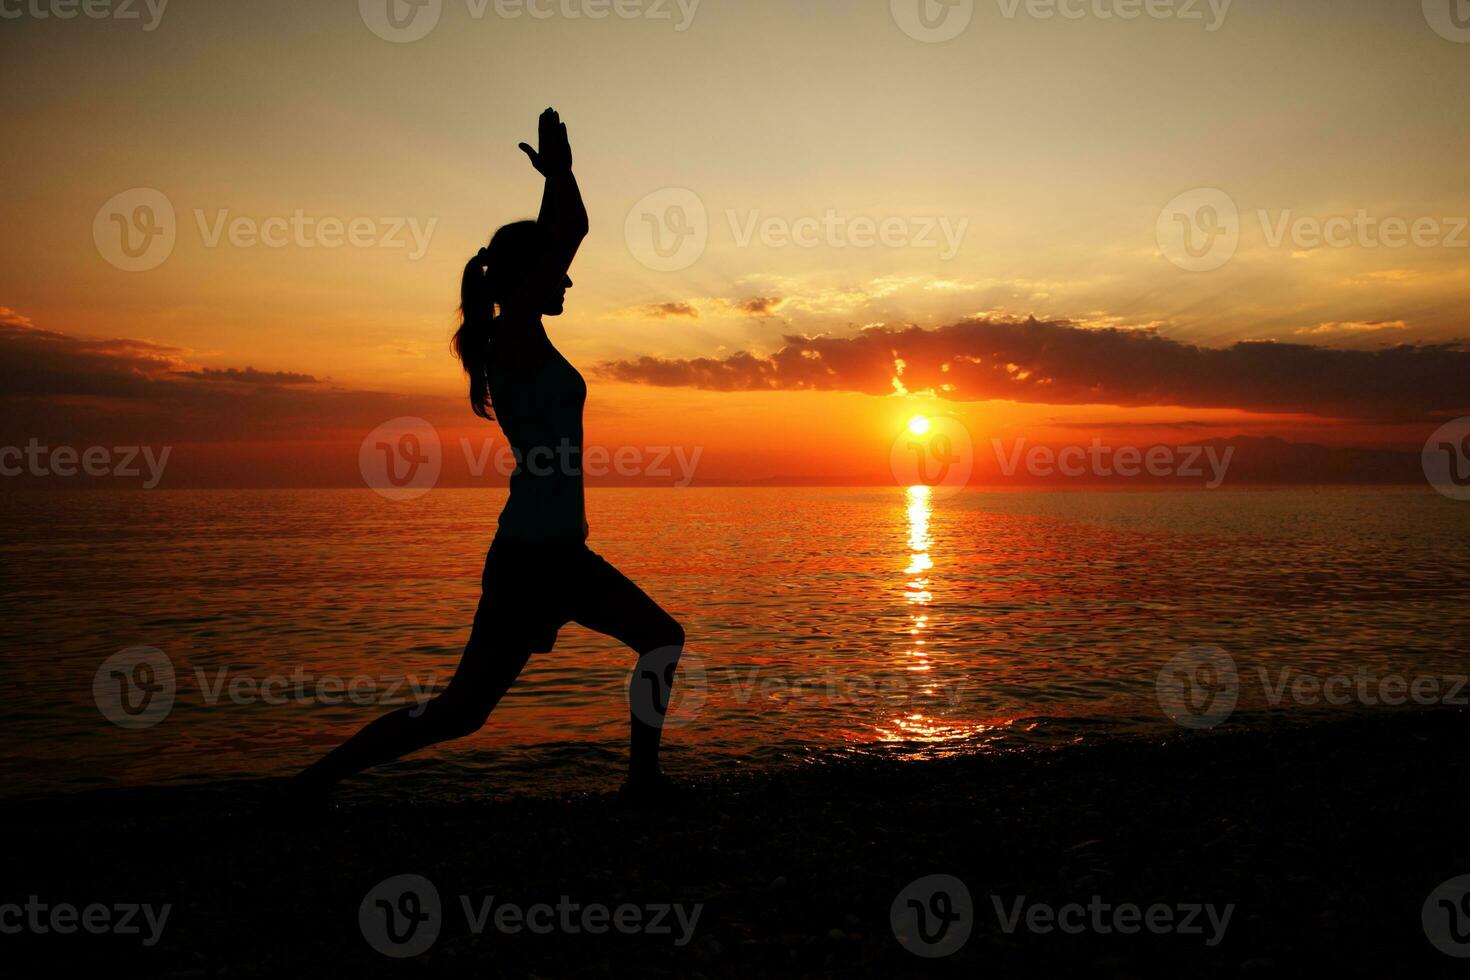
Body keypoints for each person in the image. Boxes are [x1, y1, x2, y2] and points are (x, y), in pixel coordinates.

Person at [294, 109, 685, 799]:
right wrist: (562, 174)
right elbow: (570, 235)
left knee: (659, 639)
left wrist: (550, 186)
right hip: (534, 563)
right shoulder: (515, 337)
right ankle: (313, 782)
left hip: (560, 556)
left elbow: (552, 241)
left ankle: (643, 784)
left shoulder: (517, 337)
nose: (568, 282)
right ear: (527, 281)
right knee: (458, 714)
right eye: (554, 276)